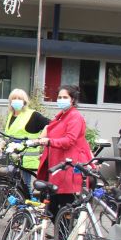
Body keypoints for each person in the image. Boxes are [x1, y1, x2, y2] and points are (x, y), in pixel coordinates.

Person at [37, 85, 92, 216]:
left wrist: (50, 141)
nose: (61, 100)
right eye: (59, 97)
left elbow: (70, 140)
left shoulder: (74, 116)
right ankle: (61, 233)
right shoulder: (61, 115)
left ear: (72, 99)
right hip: (58, 166)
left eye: (65, 97)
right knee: (51, 204)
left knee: (64, 205)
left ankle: (65, 234)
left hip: (68, 166)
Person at [4, 88, 50, 187]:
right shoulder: (11, 115)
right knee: (13, 185)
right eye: (14, 98)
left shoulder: (32, 115)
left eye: (19, 98)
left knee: (25, 186)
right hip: (13, 156)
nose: (16, 100)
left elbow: (50, 124)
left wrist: (39, 140)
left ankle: (26, 202)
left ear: (24, 101)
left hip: (26, 157)